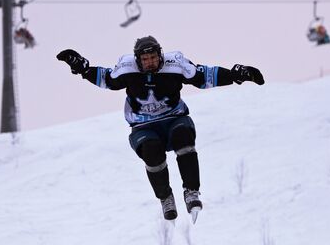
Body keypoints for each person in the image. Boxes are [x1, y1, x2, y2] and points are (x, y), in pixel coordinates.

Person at [56, 36, 264, 221]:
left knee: (183, 137)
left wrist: (238, 75)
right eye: (145, 60)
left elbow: (205, 76)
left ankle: (191, 191)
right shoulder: (127, 68)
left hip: (174, 119)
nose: (150, 62)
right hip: (143, 126)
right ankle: (165, 197)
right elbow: (106, 79)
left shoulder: (175, 64)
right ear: (138, 60)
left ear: (161, 55)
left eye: (154, 57)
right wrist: (82, 68)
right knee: (152, 151)